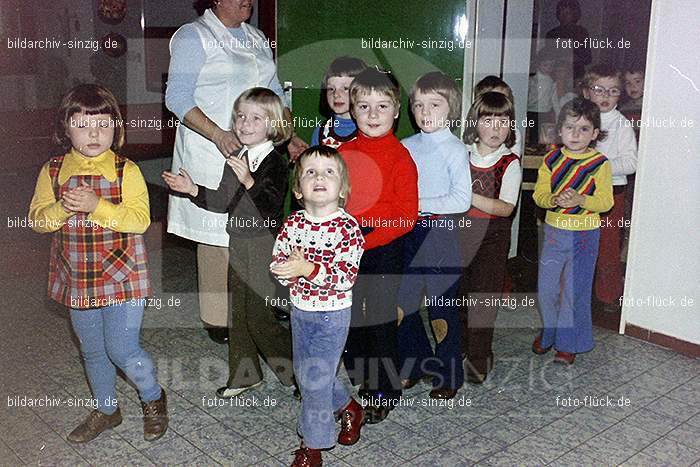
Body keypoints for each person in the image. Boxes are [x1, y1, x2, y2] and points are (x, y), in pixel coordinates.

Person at [29, 84, 168, 443]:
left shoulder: (127, 170)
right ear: (65, 128)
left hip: (124, 276)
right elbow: (38, 221)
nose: (94, 133)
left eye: (103, 124)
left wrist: (96, 206)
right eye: (82, 124)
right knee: (92, 349)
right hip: (79, 276)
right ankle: (107, 410)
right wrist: (64, 207)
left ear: (116, 128)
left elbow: (139, 221)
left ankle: (153, 398)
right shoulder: (53, 170)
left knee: (120, 348)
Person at [165, 0, 306, 343]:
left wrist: (289, 136)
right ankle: (217, 318)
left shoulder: (256, 37)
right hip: (209, 148)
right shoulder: (193, 37)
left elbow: (273, 93)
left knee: (256, 229)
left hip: (256, 148)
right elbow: (177, 98)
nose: (248, 0)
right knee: (215, 236)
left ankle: (259, 303)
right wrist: (218, 134)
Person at [162, 87, 295, 397]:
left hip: (264, 245)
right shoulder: (237, 156)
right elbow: (223, 200)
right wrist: (193, 189)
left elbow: (270, 205)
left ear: (272, 124)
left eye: (255, 118)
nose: (244, 124)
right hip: (238, 241)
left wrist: (249, 180)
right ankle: (245, 374)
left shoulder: (275, 161)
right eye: (240, 117)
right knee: (238, 312)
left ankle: (297, 371)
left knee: (259, 317)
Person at [271, 146, 366, 467]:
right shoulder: (293, 224)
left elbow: (345, 277)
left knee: (314, 380)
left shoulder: (348, 229)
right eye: (310, 172)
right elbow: (278, 262)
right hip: (300, 311)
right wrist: (285, 271)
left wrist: (307, 269)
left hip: (333, 315)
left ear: (343, 189)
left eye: (329, 172)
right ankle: (349, 407)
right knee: (306, 373)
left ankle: (312, 445)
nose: (319, 177)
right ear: (298, 190)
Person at [339, 67, 419, 424]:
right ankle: (360, 372)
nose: (373, 115)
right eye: (364, 106)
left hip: (384, 249)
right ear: (352, 109)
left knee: (381, 321)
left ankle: (385, 387)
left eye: (382, 106)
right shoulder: (342, 152)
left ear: (396, 110)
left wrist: (368, 234)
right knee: (352, 315)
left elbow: (406, 215)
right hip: (347, 251)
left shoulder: (401, 156)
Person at [397, 72, 470, 399]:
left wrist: (416, 204)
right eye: (419, 105)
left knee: (443, 306)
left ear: (450, 109)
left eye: (435, 105)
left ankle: (448, 373)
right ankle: (414, 364)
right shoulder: (405, 146)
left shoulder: (455, 149)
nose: (425, 112)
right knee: (404, 302)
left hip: (439, 233)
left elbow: (461, 199)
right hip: (407, 232)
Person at [532, 97, 613, 364]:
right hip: (555, 232)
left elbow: (606, 202)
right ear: (559, 130)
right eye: (569, 127)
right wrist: (553, 200)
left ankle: (568, 343)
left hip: (585, 236)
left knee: (573, 291)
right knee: (546, 288)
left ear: (595, 134)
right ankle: (550, 330)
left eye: (584, 129)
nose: (575, 135)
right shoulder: (551, 159)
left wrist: (581, 200)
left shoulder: (600, 163)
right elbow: (539, 195)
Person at [459, 92, 522, 382]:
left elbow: (506, 207)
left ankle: (479, 358)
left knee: (483, 301)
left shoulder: (509, 163)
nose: (496, 129)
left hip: (492, 240)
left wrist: (467, 196)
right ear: (476, 123)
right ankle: (460, 347)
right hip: (460, 236)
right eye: (488, 120)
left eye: (503, 121)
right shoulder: (462, 154)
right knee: (459, 298)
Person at [581, 65, 637, 310]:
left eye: (613, 91)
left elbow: (631, 163)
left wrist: (598, 166)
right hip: (582, 192)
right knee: (579, 244)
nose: (605, 96)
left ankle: (608, 295)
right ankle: (577, 292)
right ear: (586, 93)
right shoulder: (579, 121)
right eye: (599, 90)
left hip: (612, 193)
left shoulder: (621, 125)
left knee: (608, 245)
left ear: (620, 95)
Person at [311, 57, 367, 148]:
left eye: (345, 88)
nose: (336, 94)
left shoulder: (370, 129)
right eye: (331, 89)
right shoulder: (321, 131)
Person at [473, 75, 523, 156]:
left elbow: (513, 160)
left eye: (506, 100)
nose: (501, 104)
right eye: (495, 100)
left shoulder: (514, 133)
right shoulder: (471, 129)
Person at [545, 0, 591, 80]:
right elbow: (547, 57)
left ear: (574, 14)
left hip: (575, 75)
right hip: (556, 76)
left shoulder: (581, 32)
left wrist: (572, 57)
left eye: (567, 13)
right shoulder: (551, 34)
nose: (563, 16)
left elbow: (587, 58)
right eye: (561, 13)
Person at [527, 47, 558, 145]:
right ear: (538, 64)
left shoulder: (552, 81)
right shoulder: (533, 80)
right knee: (533, 131)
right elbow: (530, 95)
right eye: (545, 65)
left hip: (546, 111)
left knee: (544, 132)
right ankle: (533, 146)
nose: (548, 68)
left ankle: (541, 147)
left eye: (551, 66)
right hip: (533, 110)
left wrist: (558, 112)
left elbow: (554, 98)